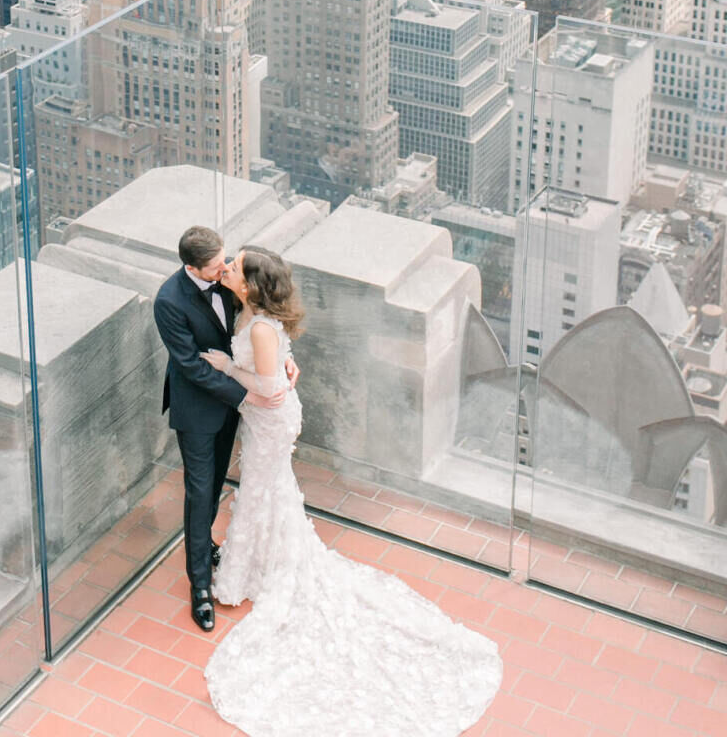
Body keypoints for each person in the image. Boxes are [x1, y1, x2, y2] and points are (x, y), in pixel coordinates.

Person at [199, 247, 503, 736]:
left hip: (271, 420)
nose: (228, 266)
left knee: (259, 489)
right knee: (267, 492)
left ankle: (244, 574)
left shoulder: (255, 325)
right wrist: (278, 364)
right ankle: (263, 560)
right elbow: (279, 360)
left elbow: (272, 389)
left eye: (236, 265)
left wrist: (224, 368)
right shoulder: (250, 313)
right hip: (265, 419)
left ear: (252, 286)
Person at [153, 226, 297, 633]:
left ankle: (207, 548)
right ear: (192, 266)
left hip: (235, 406)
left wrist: (285, 360)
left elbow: (265, 319)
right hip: (199, 409)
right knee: (199, 494)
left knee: (215, 484)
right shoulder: (169, 301)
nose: (226, 269)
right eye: (218, 265)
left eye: (227, 261)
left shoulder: (231, 282)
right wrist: (245, 395)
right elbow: (191, 365)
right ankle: (199, 585)